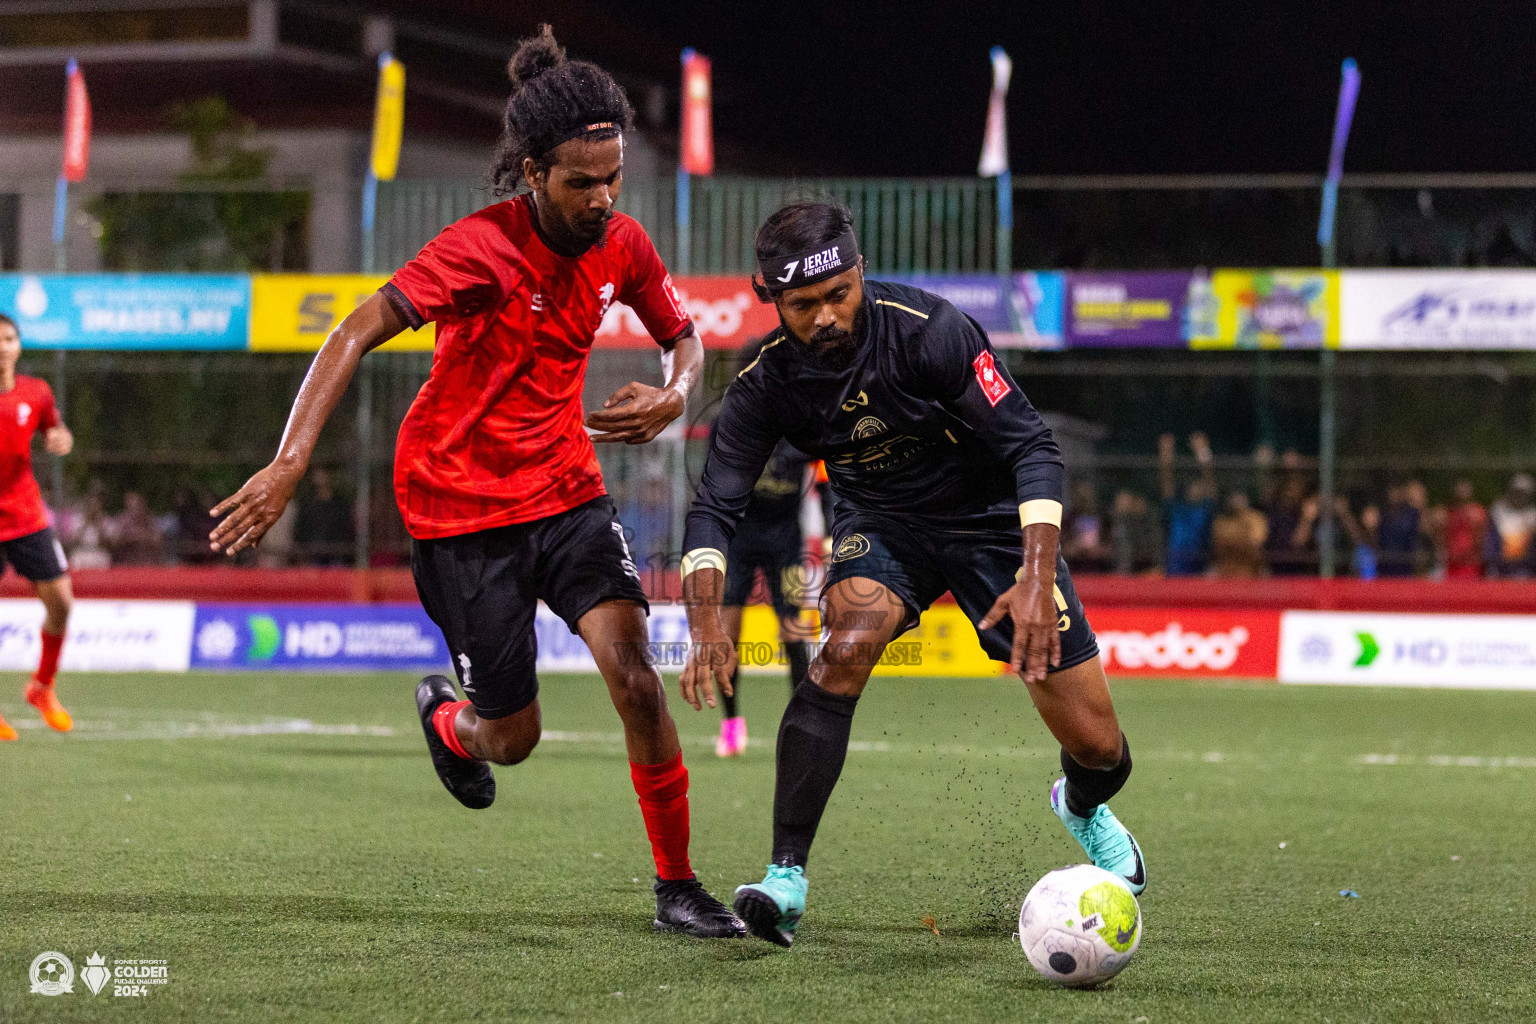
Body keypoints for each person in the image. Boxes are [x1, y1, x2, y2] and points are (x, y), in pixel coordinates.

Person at [208, 26, 741, 939]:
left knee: (634, 681)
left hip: (566, 491)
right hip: (459, 511)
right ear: (533, 172)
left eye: (614, 178)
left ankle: (678, 887)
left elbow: (682, 334)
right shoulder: (477, 249)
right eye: (584, 182)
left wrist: (677, 392)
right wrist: (292, 459)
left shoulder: (620, 244)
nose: (604, 198)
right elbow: (354, 330)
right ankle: (450, 721)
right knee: (514, 738)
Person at [678, 201, 1143, 947]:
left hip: (994, 523)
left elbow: (1033, 448)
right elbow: (713, 508)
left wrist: (1033, 573)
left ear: (859, 273)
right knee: (846, 644)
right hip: (883, 524)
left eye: (838, 294)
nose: (826, 317)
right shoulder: (766, 385)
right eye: (803, 305)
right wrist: (703, 620)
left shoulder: (930, 331)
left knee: (1099, 749)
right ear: (773, 300)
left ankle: (1081, 806)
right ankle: (785, 877)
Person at [711, 348, 816, 757]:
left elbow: (826, 475)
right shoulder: (731, 421)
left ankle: (803, 725)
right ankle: (732, 725)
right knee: (729, 633)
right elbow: (716, 487)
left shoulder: (803, 422)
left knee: (794, 632)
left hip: (786, 539)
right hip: (739, 539)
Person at [0, 313, 76, 741]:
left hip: (26, 516)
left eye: (9, 338)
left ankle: (42, 688)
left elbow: (55, 427)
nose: (2, 346)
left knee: (62, 605)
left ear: (19, 345)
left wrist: (60, 438)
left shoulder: (37, 391)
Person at [1158, 432, 1217, 576]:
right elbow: (1167, 485)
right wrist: (1166, 456)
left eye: (1200, 486)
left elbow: (1210, 484)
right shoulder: (1176, 510)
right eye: (1194, 486)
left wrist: (1203, 452)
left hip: (1198, 566)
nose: (1197, 489)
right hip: (1175, 567)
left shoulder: (1205, 510)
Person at [293, 467, 354, 565]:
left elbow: (346, 528)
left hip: (336, 554)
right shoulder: (308, 504)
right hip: (313, 554)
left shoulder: (340, 504)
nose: (319, 477)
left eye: (323, 473)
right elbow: (301, 529)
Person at [1485, 473, 1536, 578]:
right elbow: (1491, 540)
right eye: (1517, 492)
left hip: (1524, 569)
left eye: (1523, 493)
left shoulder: (1532, 515)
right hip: (1500, 567)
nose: (1520, 496)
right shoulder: (1498, 511)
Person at [1210, 490, 1268, 578]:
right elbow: (1219, 545)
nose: (1237, 503)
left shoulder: (1256, 518)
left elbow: (1256, 545)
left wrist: (1238, 540)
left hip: (1250, 566)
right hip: (1225, 566)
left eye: (1240, 500)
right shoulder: (1221, 520)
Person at [1442, 479, 1488, 580]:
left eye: (1465, 488)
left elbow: (1481, 539)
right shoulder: (1448, 513)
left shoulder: (1478, 513)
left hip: (1471, 565)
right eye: (1460, 488)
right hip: (1451, 565)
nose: (1462, 491)